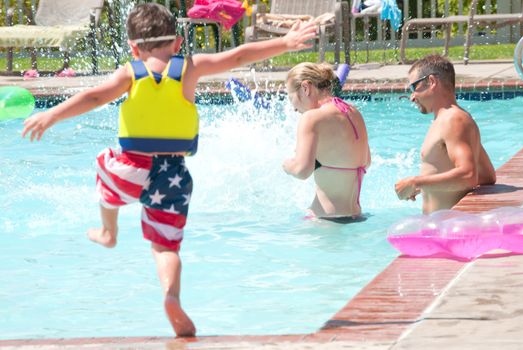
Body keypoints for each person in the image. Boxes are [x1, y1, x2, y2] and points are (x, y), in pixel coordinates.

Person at [21, 3, 316, 337]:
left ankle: (108, 231)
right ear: (177, 42)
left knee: (105, 161)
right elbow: (238, 56)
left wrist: (52, 115)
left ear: (133, 47)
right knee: (165, 247)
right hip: (173, 174)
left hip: (130, 169)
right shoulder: (188, 67)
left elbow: (92, 98)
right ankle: (171, 296)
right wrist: (285, 43)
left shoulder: (129, 73)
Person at [395, 54, 496, 214]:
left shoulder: (453, 120)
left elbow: (468, 175)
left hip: (446, 232)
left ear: (432, 82)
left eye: (414, 87)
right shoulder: (449, 119)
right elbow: (487, 176)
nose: (412, 97)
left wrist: (416, 183)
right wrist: (432, 186)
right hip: (440, 227)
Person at [282, 62, 371, 222]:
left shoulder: (312, 118)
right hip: (356, 216)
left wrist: (287, 165)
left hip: (325, 220)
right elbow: (367, 161)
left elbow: (302, 171)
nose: (293, 108)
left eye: (291, 97)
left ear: (305, 88)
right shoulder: (354, 112)